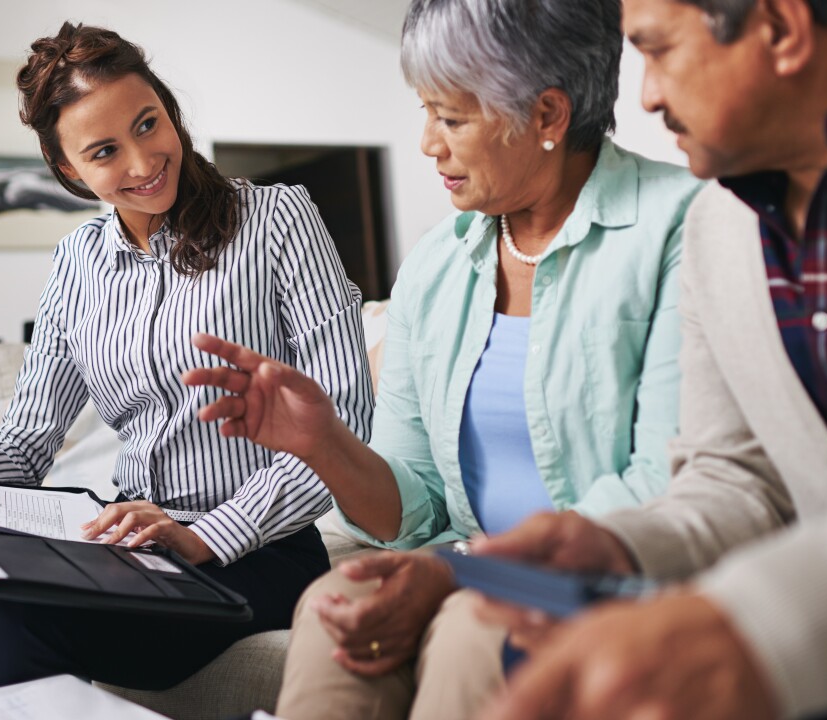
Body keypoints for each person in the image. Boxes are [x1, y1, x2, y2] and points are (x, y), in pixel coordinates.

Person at [181, 0, 702, 717]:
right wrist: (324, 443)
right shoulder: (435, 266)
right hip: (469, 561)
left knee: (471, 627)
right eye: (425, 112)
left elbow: (665, 483)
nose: (428, 143)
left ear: (548, 115)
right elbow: (415, 507)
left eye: (451, 118)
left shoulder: (680, 225)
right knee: (336, 601)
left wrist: (468, 573)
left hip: (618, 568)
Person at [471, 1, 827, 718]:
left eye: (658, 51)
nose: (646, 95)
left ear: (780, 29)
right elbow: (737, 476)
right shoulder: (716, 223)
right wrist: (619, 545)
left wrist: (759, 625)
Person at [0, 21, 373, 699]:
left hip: (257, 553)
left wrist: (206, 536)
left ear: (168, 109)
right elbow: (26, 445)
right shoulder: (78, 262)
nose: (144, 161)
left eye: (148, 124)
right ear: (69, 169)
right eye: (105, 151)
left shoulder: (277, 220)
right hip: (134, 540)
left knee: (14, 623)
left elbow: (344, 419)